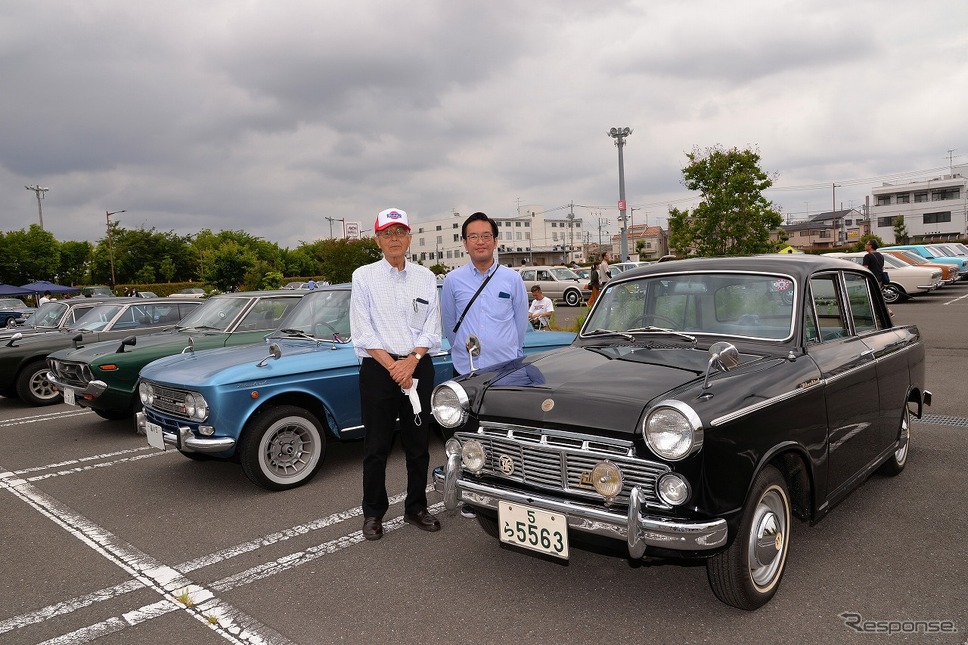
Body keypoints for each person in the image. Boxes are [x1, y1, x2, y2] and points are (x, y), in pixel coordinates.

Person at [350, 207, 442, 541]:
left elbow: (432, 329)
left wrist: (411, 362)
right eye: (387, 233)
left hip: (418, 366)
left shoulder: (425, 277)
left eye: (400, 232)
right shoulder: (364, 276)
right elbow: (362, 332)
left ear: (409, 237)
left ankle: (416, 507)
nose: (394, 239)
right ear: (377, 239)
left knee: (419, 444)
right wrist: (395, 367)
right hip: (379, 369)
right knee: (376, 446)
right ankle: (373, 514)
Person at [441, 211, 529, 519]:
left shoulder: (512, 279)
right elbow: (449, 324)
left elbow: (520, 323)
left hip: (507, 370)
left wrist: (511, 352)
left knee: (506, 433)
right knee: (469, 433)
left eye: (486, 236)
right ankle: (472, 494)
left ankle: (510, 488)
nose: (480, 241)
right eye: (473, 236)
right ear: (465, 243)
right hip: (469, 372)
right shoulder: (453, 281)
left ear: (495, 241)